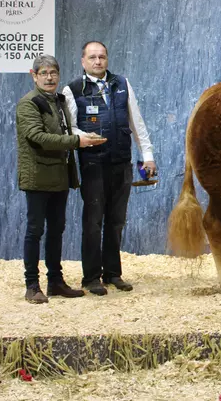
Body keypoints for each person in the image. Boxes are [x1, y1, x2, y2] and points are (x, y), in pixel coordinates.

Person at [63, 41, 156, 295]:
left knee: (116, 221)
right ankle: (91, 277)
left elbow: (137, 122)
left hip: (121, 163)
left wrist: (147, 156)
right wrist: (83, 136)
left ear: (107, 59)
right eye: (92, 57)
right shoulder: (72, 90)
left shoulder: (122, 84)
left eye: (101, 56)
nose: (97, 61)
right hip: (93, 164)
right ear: (83, 61)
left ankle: (113, 273)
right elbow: (68, 128)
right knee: (93, 221)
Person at [16, 55, 106, 303]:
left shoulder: (60, 100)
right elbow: (38, 137)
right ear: (33, 76)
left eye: (53, 72)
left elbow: (67, 130)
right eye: (43, 73)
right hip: (37, 176)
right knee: (35, 230)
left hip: (60, 176)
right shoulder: (28, 104)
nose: (49, 77)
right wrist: (77, 141)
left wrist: (84, 136)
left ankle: (55, 281)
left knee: (57, 230)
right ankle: (32, 285)